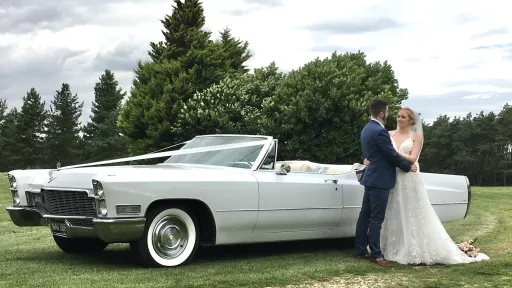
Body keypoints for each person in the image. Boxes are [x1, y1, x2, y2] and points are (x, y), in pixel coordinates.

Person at [363, 107, 490, 265]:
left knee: (412, 210)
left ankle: (413, 247)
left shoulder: (416, 137)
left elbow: (413, 157)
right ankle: (388, 247)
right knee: (392, 211)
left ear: (411, 121)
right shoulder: (388, 134)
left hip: (409, 177)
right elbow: (379, 151)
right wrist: (367, 159)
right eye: (398, 116)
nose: (399, 119)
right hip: (392, 177)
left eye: (403, 117)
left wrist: (393, 154)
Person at [353, 99, 417, 268]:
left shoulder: (367, 129)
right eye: (388, 112)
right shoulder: (380, 131)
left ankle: (360, 250)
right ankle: (376, 254)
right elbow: (390, 154)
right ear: (382, 113)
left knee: (364, 215)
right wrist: (407, 166)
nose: (389, 115)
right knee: (376, 218)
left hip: (371, 177)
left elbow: (371, 154)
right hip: (380, 179)